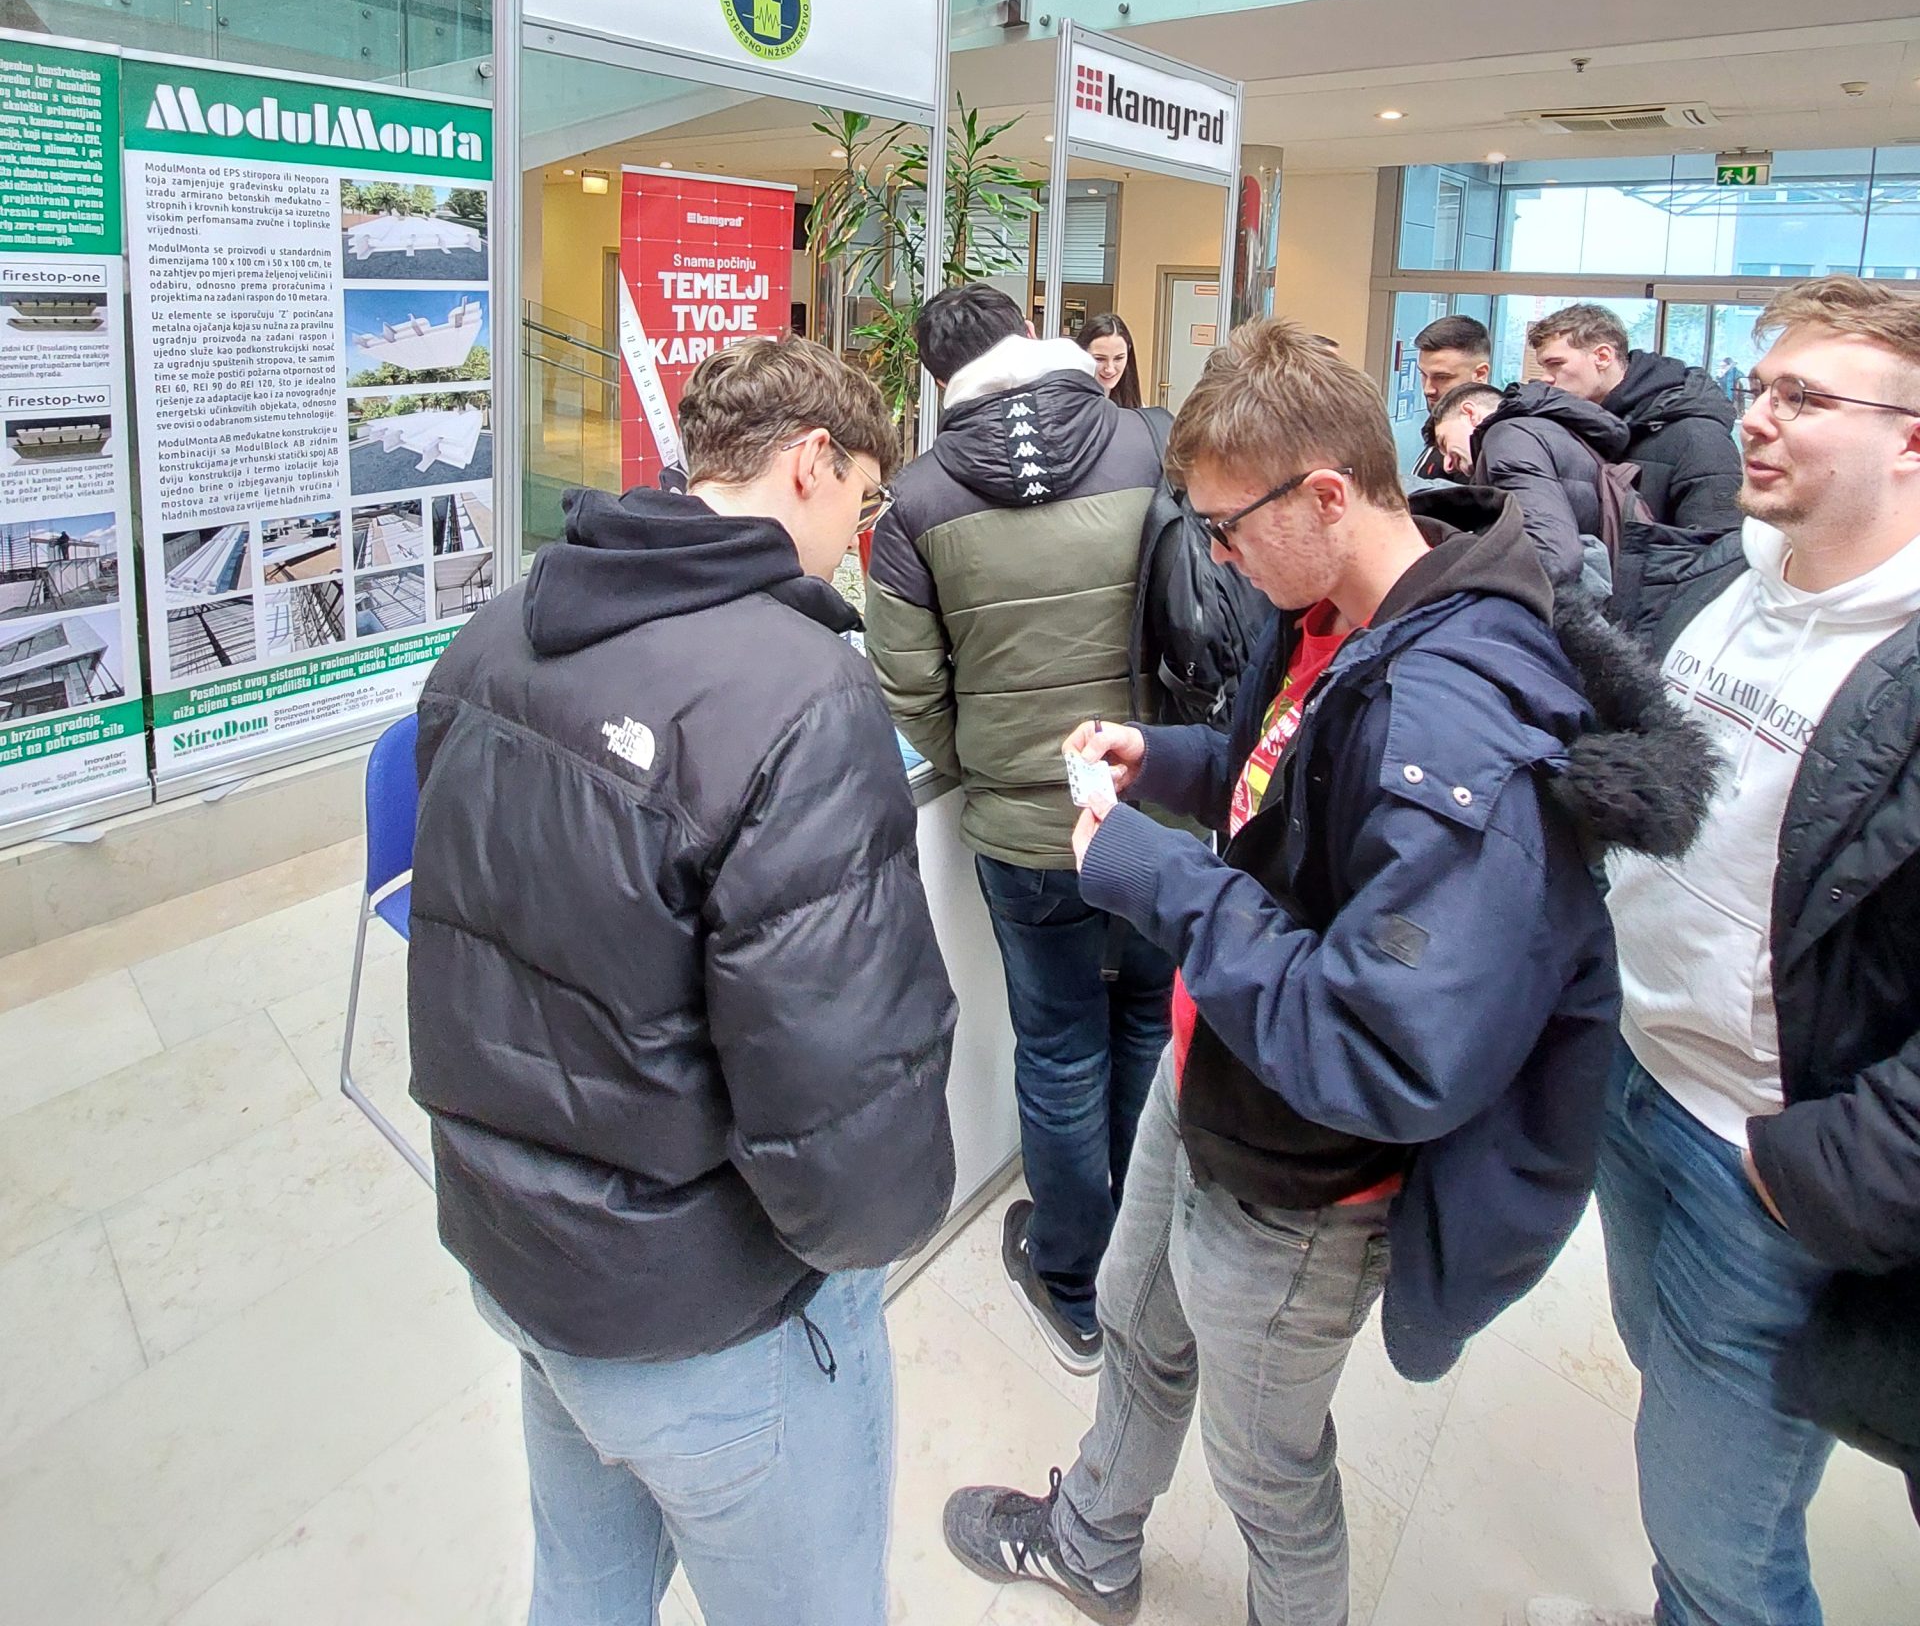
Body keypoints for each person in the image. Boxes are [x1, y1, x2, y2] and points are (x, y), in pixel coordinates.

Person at [941, 320, 1713, 1626]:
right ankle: (1093, 1539)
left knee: (1266, 1464)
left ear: (1327, 495)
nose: (1216, 557)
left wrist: (1153, 874)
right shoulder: (1340, 619)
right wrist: (1166, 761)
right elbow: (1289, 785)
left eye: (1227, 528)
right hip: (1216, 1059)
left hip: (1304, 1168)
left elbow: (1379, 1040)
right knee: (1135, 1318)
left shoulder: (1452, 714)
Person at [407, 335, 958, 1626]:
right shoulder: (802, 696)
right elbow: (847, 1103)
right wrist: (859, 1252)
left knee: (583, 1591)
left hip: (524, 1259)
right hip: (709, 1313)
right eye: (862, 500)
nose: (857, 541)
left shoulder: (491, 636)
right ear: (811, 462)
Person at [1529, 276, 1920, 1626]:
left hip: (1764, 1152)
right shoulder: (1711, 586)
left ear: (1911, 438)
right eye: (1761, 388)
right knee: (1665, 1380)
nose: (1757, 418)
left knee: (1719, 1542)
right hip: (1631, 1078)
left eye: (1805, 397)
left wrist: (1814, 1169)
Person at [865, 283, 1173, 1374]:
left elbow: (908, 687)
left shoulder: (914, 499)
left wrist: (980, 767)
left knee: (1058, 1046)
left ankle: (1074, 1282)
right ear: (1032, 335)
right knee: (1149, 1024)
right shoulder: (1150, 442)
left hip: (1024, 829)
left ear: (937, 378)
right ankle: (1148, 1260)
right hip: (1157, 803)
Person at [1529, 302, 1743, 532]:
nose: (1546, 378)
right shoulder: (1575, 426)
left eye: (1555, 364)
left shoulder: (1698, 435)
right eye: (1543, 367)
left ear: (1602, 356)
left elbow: (1715, 543)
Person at [1428, 374, 1635, 587]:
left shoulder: (1507, 439)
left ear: (1470, 413)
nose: (1447, 465)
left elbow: (1551, 557)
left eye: (1444, 443)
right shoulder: (1544, 430)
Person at [1410, 312, 1493, 479]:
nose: (1428, 389)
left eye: (1442, 377)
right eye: (1423, 375)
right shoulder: (1437, 428)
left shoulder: (1492, 450)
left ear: (1480, 374)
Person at [1083, 311, 1144, 410]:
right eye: (1099, 359)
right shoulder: (1064, 404)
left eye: (1118, 358)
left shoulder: (1136, 406)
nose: (1109, 369)